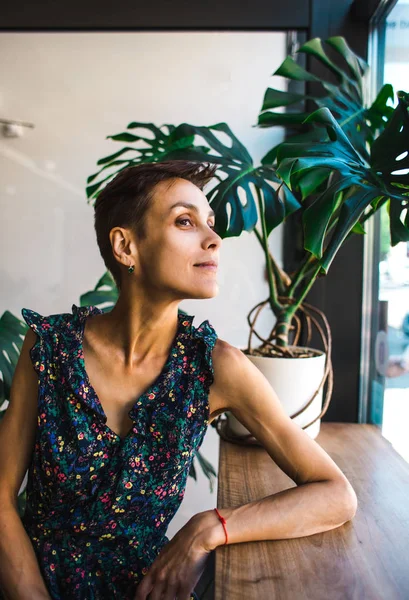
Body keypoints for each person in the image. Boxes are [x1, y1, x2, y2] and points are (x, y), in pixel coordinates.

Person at [0, 160, 358, 600]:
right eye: (185, 221)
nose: (214, 239)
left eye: (210, 224)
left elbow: (336, 495)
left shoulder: (215, 367)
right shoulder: (50, 348)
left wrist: (208, 528)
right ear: (126, 246)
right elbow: (0, 498)